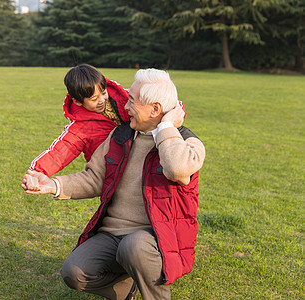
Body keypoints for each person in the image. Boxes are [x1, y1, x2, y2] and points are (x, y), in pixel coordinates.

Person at [22, 68, 205, 300]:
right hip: (113, 234)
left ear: (155, 109)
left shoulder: (187, 142)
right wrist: (53, 184)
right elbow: (94, 178)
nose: (124, 108)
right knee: (73, 272)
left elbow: (177, 169)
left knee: (133, 247)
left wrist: (166, 127)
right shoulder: (120, 136)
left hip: (154, 237)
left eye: (131, 101)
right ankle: (126, 287)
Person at [28, 63, 130, 177]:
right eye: (94, 99)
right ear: (78, 101)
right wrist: (37, 171)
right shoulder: (80, 128)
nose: (102, 100)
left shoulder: (124, 97)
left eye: (103, 93)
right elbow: (60, 151)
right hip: (111, 170)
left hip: (137, 162)